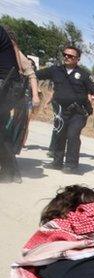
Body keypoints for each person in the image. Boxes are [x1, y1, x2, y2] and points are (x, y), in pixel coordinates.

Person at [36, 45, 94, 174]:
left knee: (72, 135)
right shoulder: (55, 70)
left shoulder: (84, 75)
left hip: (78, 112)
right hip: (61, 111)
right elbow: (36, 75)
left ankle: (71, 164)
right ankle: (57, 162)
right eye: (65, 54)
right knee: (59, 135)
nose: (66, 57)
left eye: (71, 56)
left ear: (77, 59)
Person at [0, 25, 39, 183]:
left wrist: (35, 95)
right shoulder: (9, 48)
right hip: (10, 91)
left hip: (11, 91)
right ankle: (11, 172)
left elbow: (31, 74)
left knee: (14, 129)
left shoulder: (12, 48)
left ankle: (10, 171)